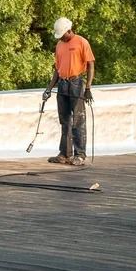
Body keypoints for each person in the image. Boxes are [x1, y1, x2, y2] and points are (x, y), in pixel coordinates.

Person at [42, 17, 95, 166]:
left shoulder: (81, 42)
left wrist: (88, 88)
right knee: (64, 120)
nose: (61, 38)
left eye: (62, 35)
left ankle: (80, 155)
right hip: (63, 84)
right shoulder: (59, 45)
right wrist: (49, 88)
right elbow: (57, 70)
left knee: (78, 120)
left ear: (69, 31)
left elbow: (90, 64)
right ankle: (65, 154)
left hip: (76, 83)